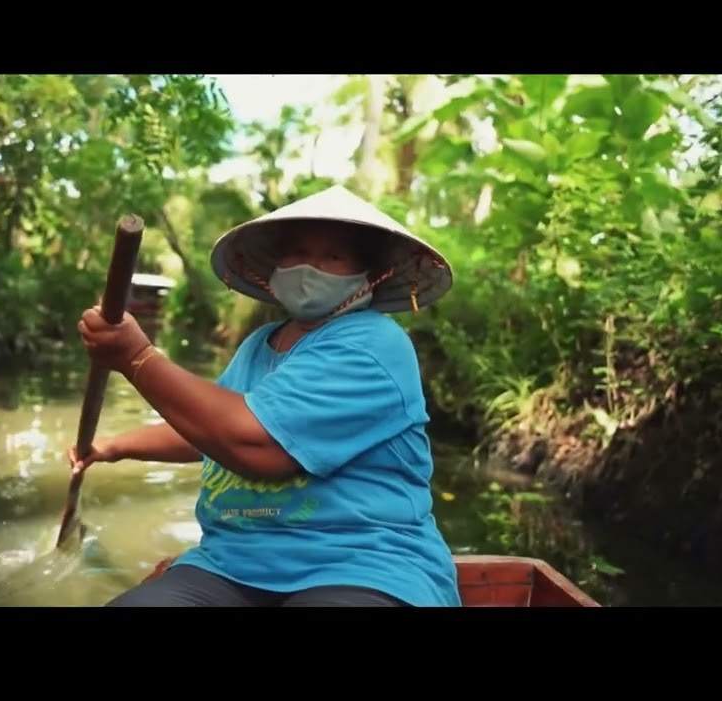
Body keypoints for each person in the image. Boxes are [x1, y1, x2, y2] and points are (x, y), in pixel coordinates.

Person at [70, 185, 460, 607]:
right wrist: (111, 447)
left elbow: (256, 444)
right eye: (296, 252)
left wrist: (136, 358)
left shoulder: (374, 343)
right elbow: (206, 430)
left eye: (333, 256)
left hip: (360, 564)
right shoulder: (258, 344)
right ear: (274, 265)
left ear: (368, 274)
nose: (310, 267)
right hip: (231, 564)